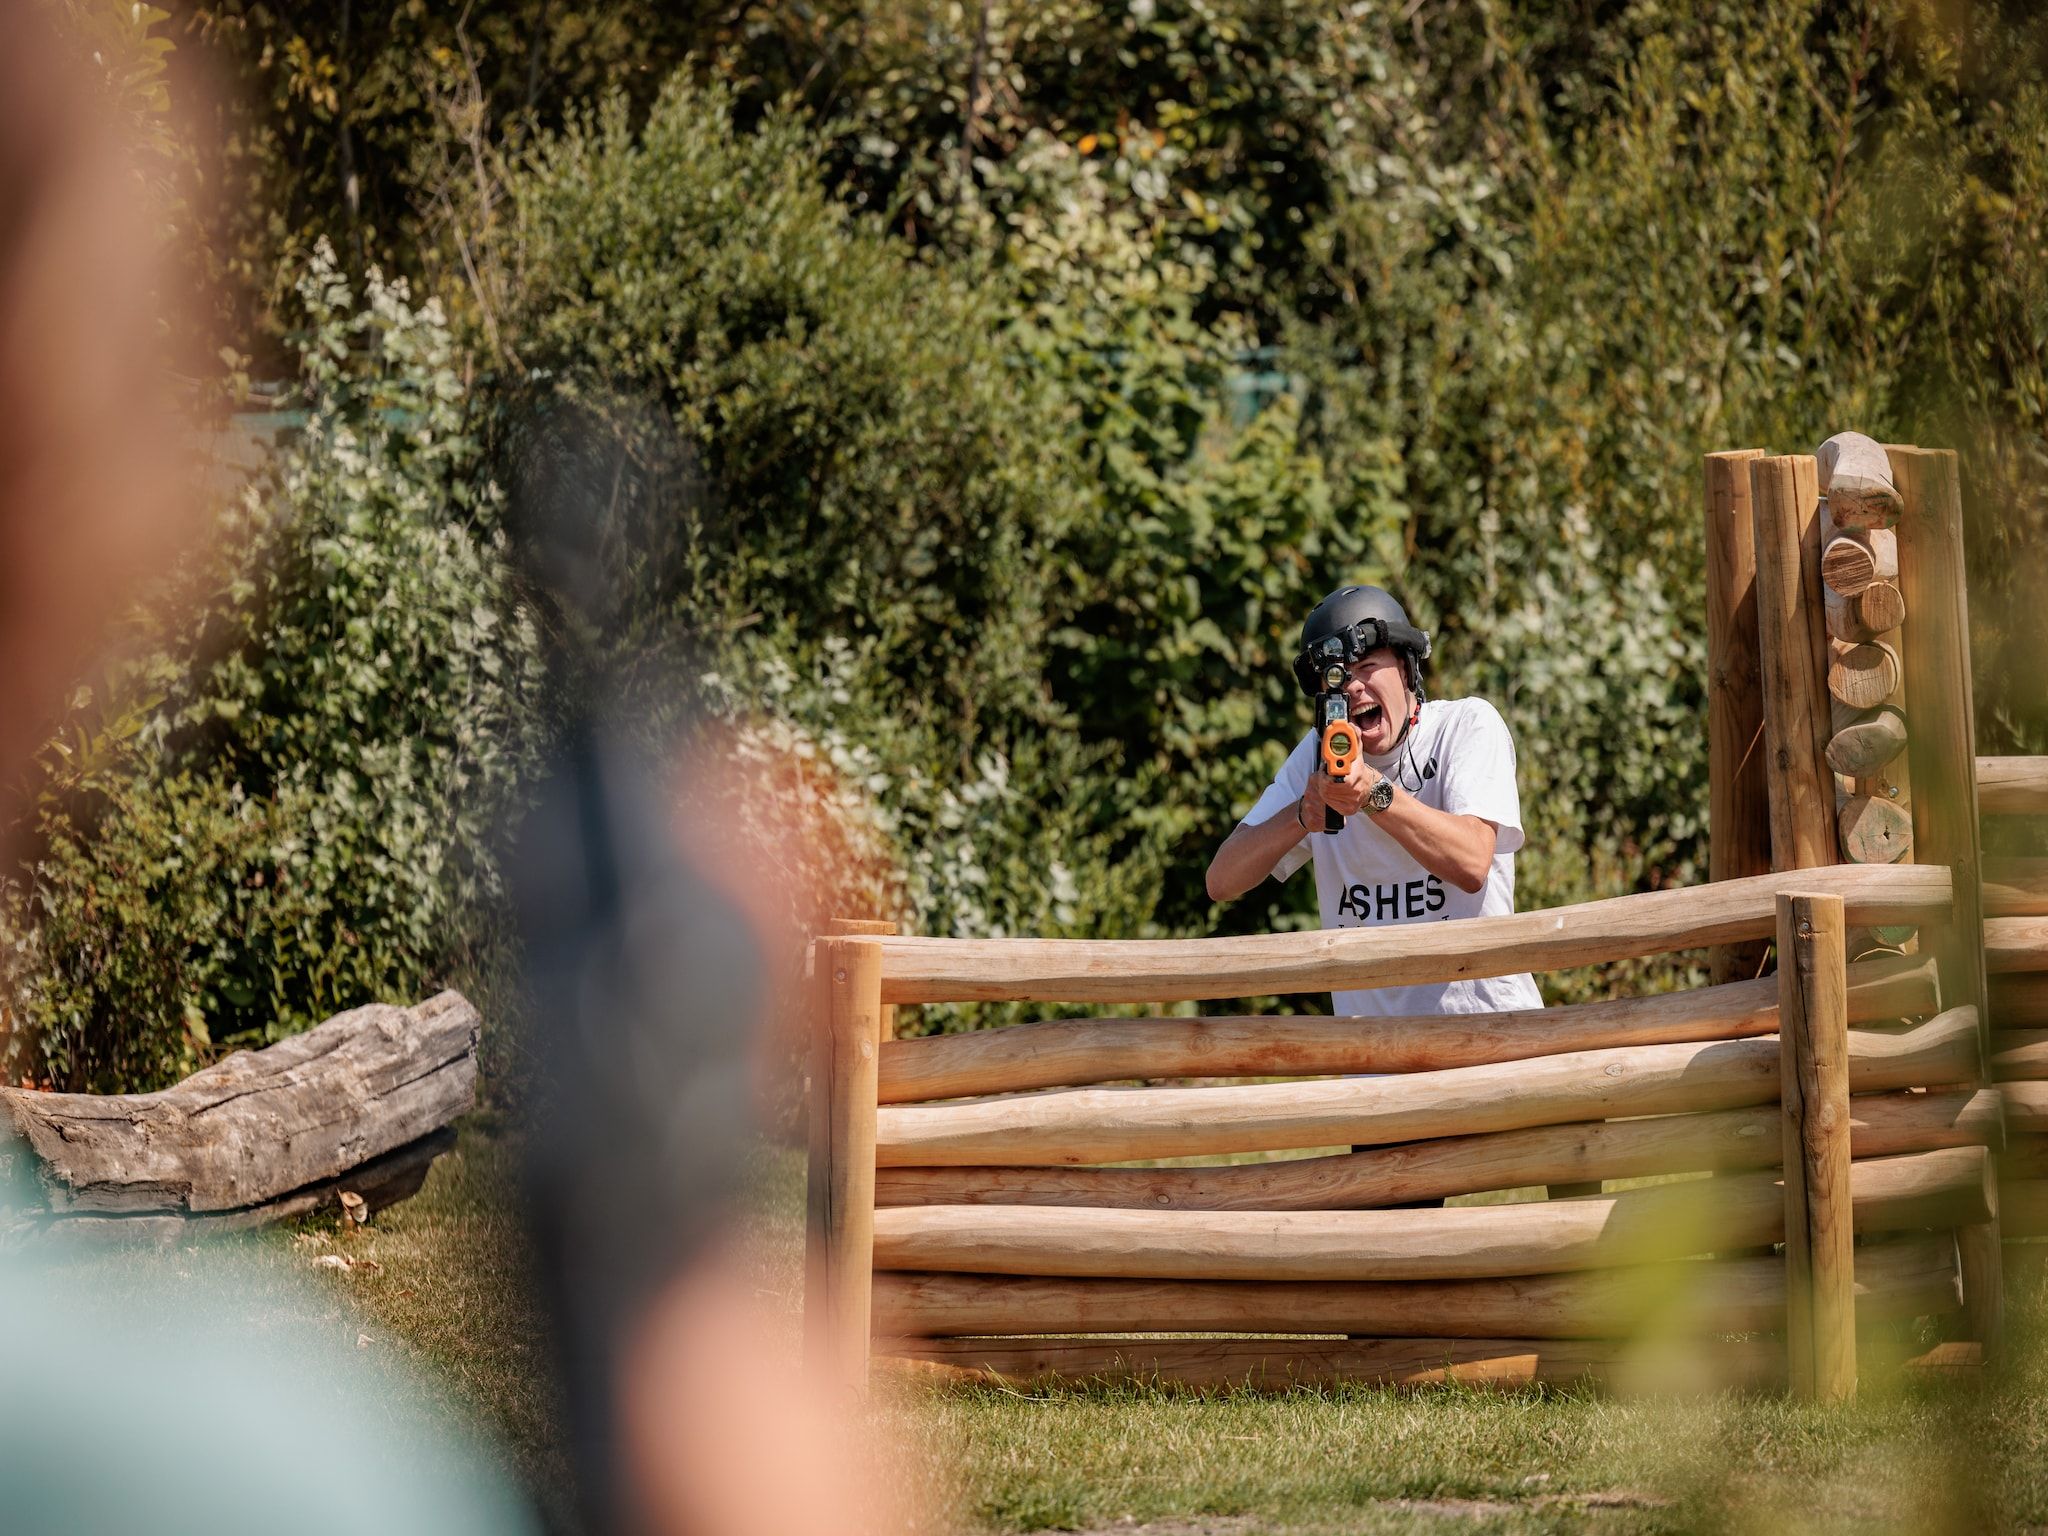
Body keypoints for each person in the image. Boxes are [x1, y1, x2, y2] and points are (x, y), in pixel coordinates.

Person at [1206, 582, 1543, 1019]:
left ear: (1406, 669)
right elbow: (1222, 881)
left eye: (1367, 666)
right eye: (1339, 678)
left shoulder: (1464, 725)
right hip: (1372, 1046)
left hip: (1485, 1027)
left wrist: (1373, 793)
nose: (1354, 687)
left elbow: (1473, 862)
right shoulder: (1317, 753)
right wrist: (1302, 814)